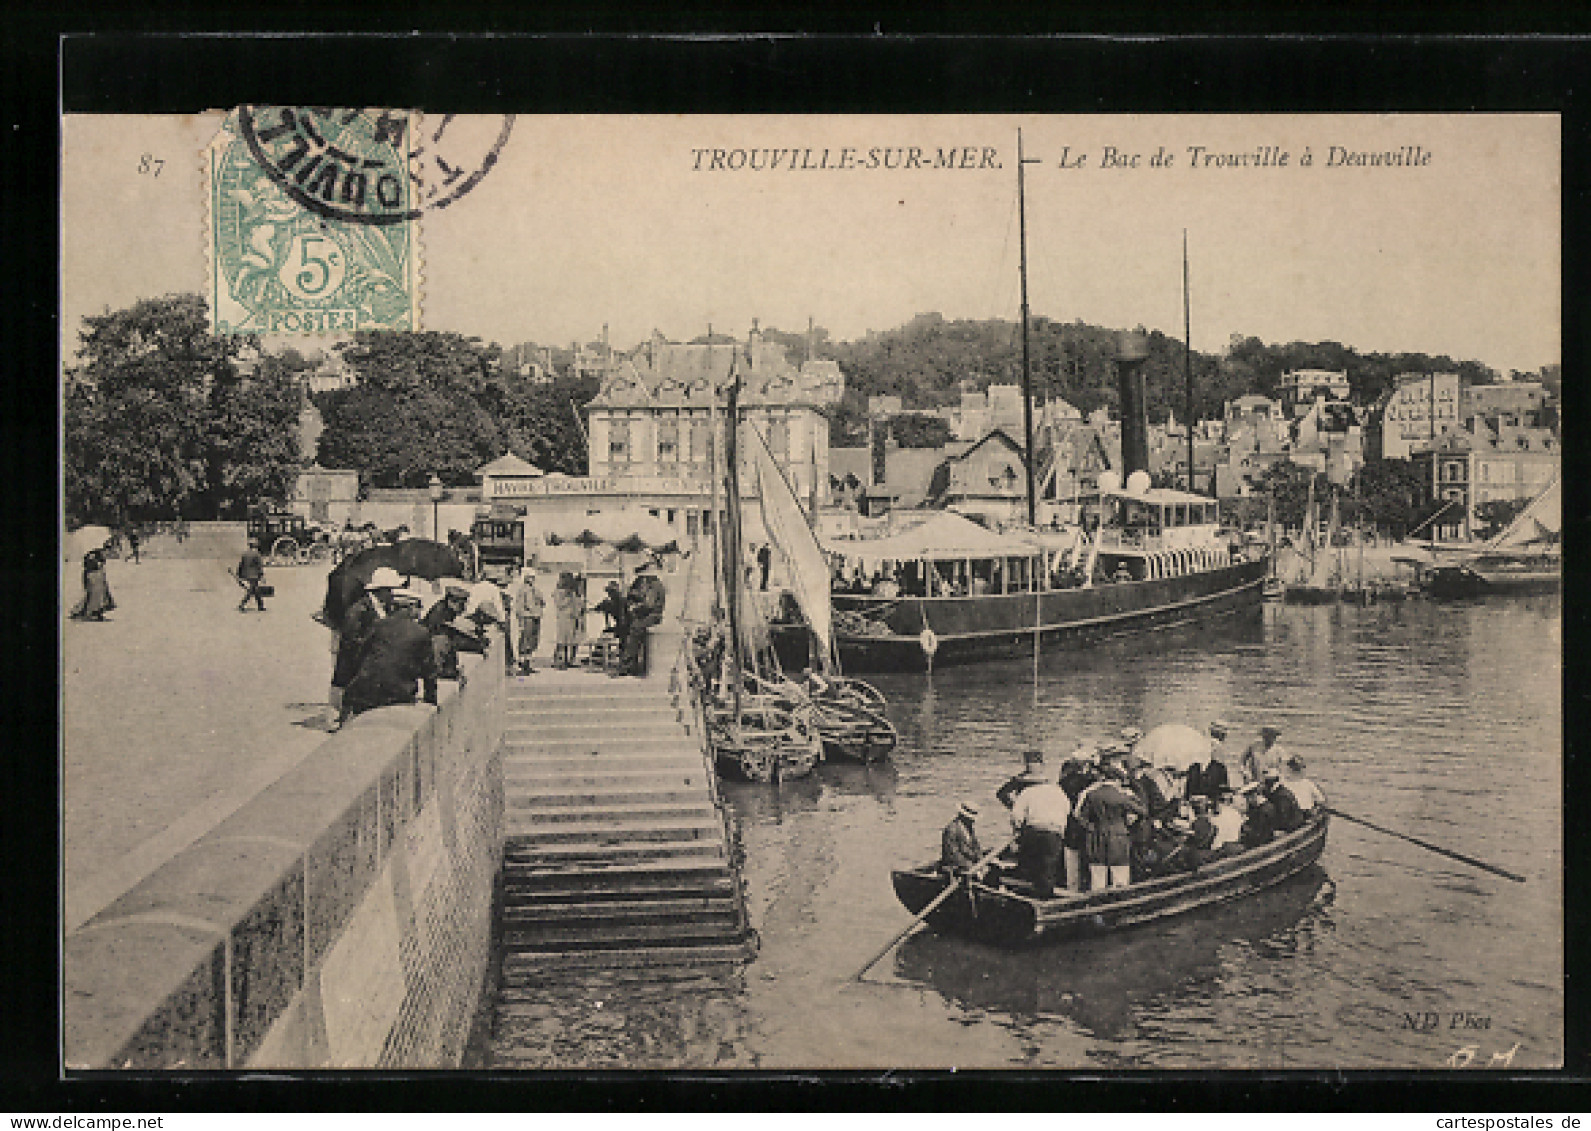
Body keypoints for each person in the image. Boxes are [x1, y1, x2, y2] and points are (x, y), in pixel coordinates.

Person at [340, 588, 439, 720]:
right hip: (399, 694)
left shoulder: (377, 625)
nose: (419, 612)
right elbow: (429, 672)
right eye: (418, 608)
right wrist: (431, 700)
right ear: (410, 608)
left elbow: (359, 656)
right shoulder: (421, 632)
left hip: (366, 692)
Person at [330, 567, 402, 726]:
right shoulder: (358, 611)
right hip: (354, 671)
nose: (393, 595)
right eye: (390, 590)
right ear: (380, 590)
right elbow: (351, 644)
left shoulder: (382, 608)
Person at [1074, 759, 1147, 890]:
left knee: (1097, 877)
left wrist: (1091, 827)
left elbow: (1080, 817)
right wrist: (1131, 822)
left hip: (1096, 837)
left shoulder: (1092, 795)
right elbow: (1143, 811)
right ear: (1117, 780)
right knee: (1120, 877)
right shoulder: (1122, 796)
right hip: (1119, 838)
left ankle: (1097, 906)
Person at [1009, 768, 1073, 898]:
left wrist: (1018, 831)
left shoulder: (1027, 792)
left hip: (1034, 831)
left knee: (1030, 866)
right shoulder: (1059, 792)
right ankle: (1045, 897)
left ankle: (1026, 896)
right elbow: (1067, 811)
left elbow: (1016, 816)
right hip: (1054, 834)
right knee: (1049, 868)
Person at [621, 559, 668, 676]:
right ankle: (632, 663)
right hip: (653, 615)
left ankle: (627, 665)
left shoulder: (654, 586)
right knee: (634, 627)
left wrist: (635, 607)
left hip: (653, 615)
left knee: (635, 629)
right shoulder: (657, 584)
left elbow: (649, 605)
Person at [1058, 757, 1097, 893]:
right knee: (1087, 861)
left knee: (1072, 862)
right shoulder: (1090, 783)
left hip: (1070, 827)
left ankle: (1072, 888)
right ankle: (1087, 889)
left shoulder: (1063, 783)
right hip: (1087, 828)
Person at [421, 582, 474, 680]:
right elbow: (448, 636)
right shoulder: (440, 613)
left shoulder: (447, 609)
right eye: (461, 603)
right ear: (451, 601)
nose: (463, 607)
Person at [507, 567, 545, 675]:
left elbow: (542, 601)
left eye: (533, 577)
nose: (532, 579)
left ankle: (527, 663)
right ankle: (522, 664)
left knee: (533, 641)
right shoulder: (522, 590)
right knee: (525, 640)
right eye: (530, 577)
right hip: (527, 617)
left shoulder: (535, 589)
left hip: (535, 616)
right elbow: (520, 606)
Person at [940, 801, 985, 879]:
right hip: (954, 867)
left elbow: (976, 847)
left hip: (969, 863)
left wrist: (981, 861)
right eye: (970, 818)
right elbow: (954, 855)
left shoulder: (968, 828)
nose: (973, 821)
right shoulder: (952, 830)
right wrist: (971, 867)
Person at [1189, 720, 1234, 799]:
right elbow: (1220, 767)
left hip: (1197, 777)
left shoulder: (1203, 742)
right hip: (1211, 779)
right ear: (1221, 734)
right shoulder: (1218, 746)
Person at [70, 549, 115, 621]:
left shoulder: (99, 556)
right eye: (108, 552)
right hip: (92, 576)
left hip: (96, 576)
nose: (108, 554)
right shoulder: (94, 555)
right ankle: (87, 613)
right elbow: (88, 566)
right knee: (93, 596)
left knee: (98, 596)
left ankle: (95, 612)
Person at [551, 572, 583, 669]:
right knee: (562, 640)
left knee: (574, 640)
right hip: (564, 618)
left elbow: (578, 604)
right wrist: (569, 597)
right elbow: (560, 604)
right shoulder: (559, 592)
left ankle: (571, 660)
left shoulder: (574, 592)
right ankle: (559, 660)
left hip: (574, 618)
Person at [236, 543, 268, 612]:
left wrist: (238, 574)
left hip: (246, 574)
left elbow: (241, 565)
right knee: (252, 590)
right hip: (254, 575)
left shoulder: (245, 554)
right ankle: (242, 604)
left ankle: (260, 605)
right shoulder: (257, 554)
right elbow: (259, 566)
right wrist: (262, 575)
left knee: (255, 590)